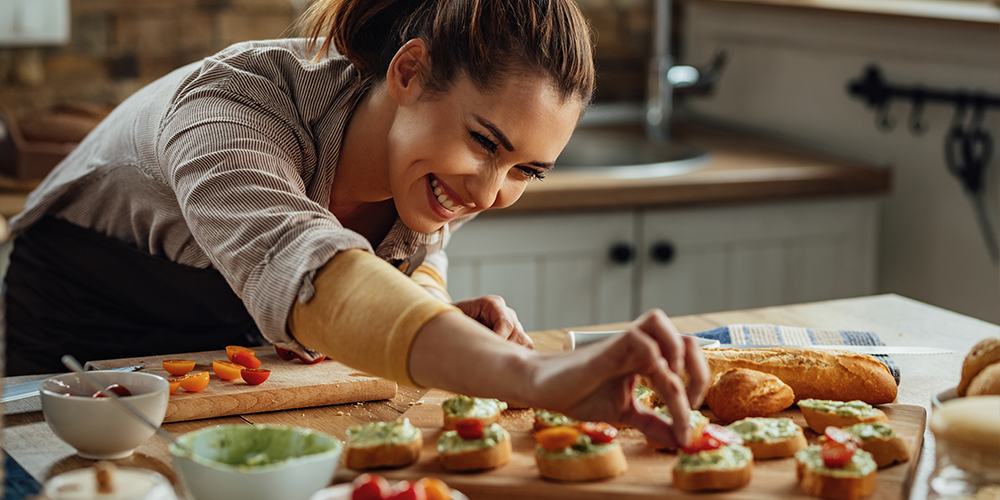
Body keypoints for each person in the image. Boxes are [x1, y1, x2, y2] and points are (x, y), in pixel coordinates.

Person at [3, 0, 709, 448]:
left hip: (228, 351)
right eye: (487, 144)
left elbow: (414, 258)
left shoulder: (427, 161)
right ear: (409, 72)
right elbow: (308, 267)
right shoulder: (232, 107)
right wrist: (529, 376)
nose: (490, 190)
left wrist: (439, 316)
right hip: (76, 331)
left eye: (527, 169)